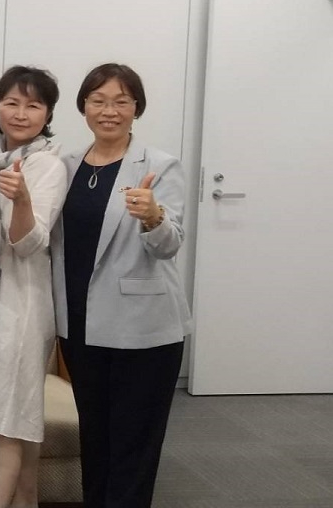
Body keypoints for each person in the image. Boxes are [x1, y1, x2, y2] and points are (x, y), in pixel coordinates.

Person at [53, 63, 191, 508]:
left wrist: (153, 216)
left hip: (142, 329)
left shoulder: (160, 166)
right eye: (98, 101)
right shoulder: (66, 165)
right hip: (80, 324)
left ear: (136, 108)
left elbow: (170, 245)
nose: (109, 111)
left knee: (133, 444)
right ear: (84, 107)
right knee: (94, 438)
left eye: (121, 101)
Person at [0, 66, 67, 508]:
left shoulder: (48, 165)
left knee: (7, 424)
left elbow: (28, 244)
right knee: (18, 423)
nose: (21, 114)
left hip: (23, 308)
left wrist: (21, 198)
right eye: (12, 102)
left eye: (34, 105)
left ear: (48, 114)